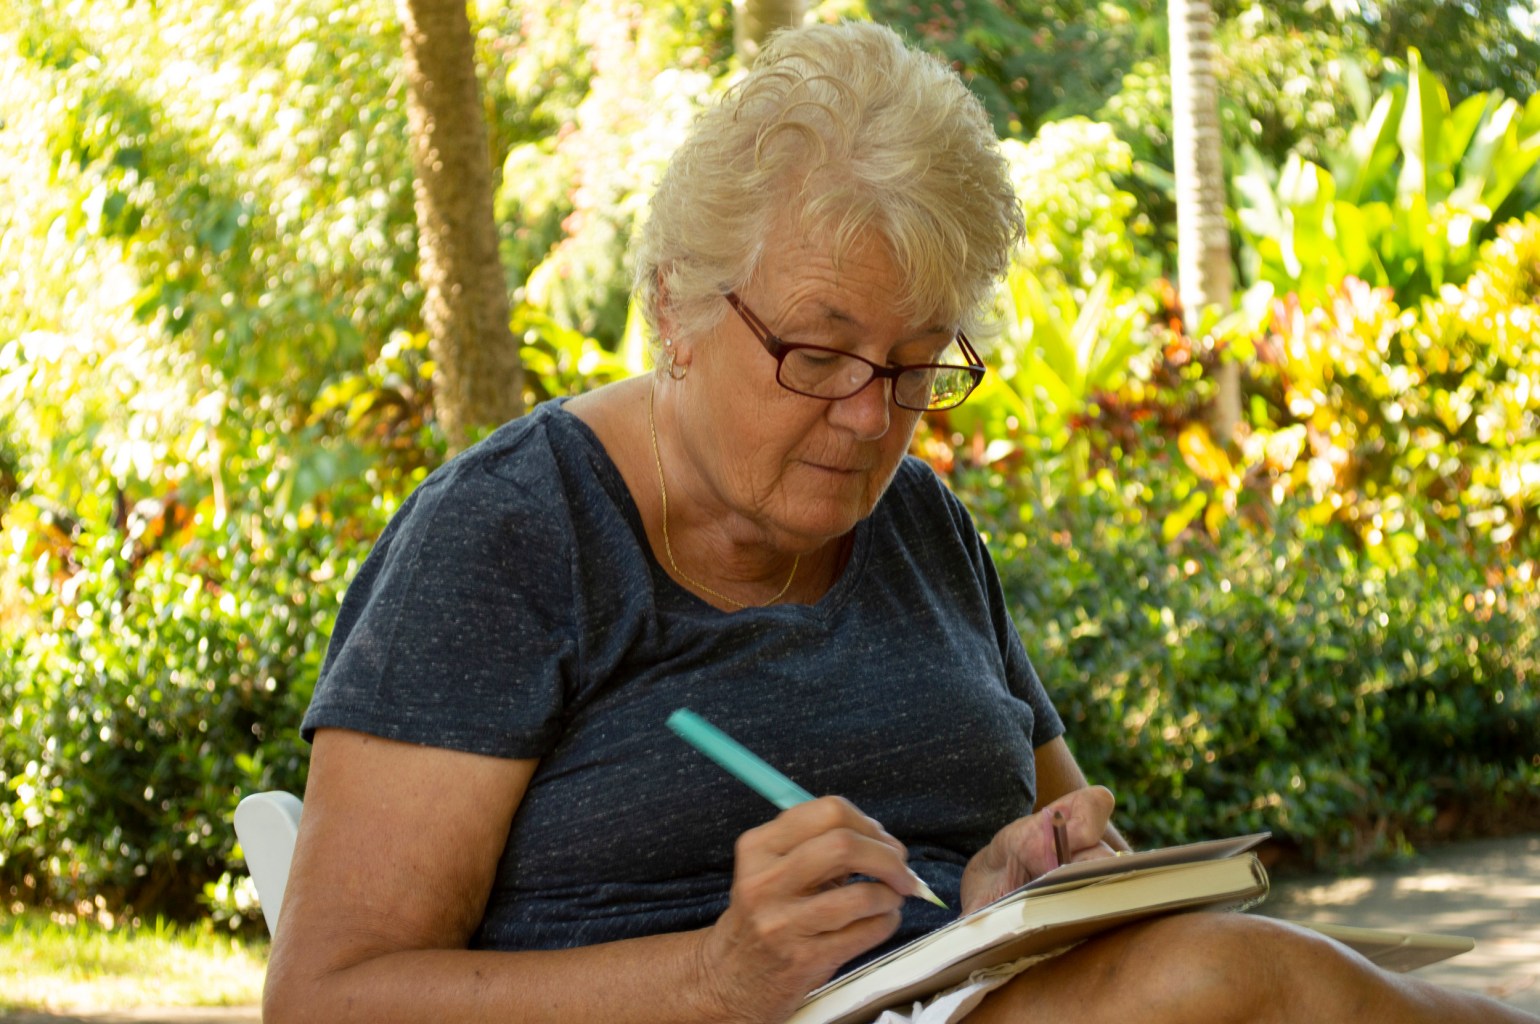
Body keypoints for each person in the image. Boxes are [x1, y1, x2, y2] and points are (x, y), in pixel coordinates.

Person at [263, 20, 1537, 1024]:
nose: (869, 417)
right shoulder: (509, 538)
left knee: (1236, 977)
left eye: (918, 364)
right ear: (676, 306)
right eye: (817, 353)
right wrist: (712, 983)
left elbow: (1084, 852)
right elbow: (326, 1000)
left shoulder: (918, 525)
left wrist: (1025, 890)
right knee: (1235, 988)